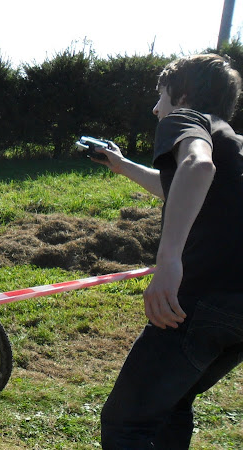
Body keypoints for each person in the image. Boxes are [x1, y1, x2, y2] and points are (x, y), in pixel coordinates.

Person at [91, 53, 243, 448]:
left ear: (184, 95)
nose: (156, 109)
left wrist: (169, 260)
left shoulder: (186, 118)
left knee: (126, 423)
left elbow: (197, 167)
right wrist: (122, 165)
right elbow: (182, 188)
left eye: (161, 96)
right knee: (172, 404)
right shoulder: (233, 143)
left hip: (203, 299)